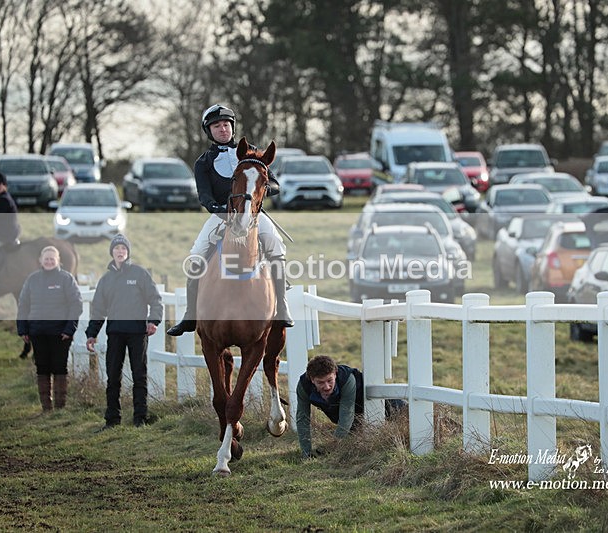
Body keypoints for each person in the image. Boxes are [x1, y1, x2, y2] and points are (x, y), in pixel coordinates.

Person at [166, 104, 293, 336]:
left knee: (276, 244)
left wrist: (258, 193)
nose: (223, 129)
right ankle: (190, 315)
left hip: (253, 214)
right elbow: (204, 195)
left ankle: (282, 307)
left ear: (232, 127)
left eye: (226, 124)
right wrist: (221, 208)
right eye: (217, 126)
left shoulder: (252, 152)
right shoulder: (202, 163)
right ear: (209, 131)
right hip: (221, 215)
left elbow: (274, 184)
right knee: (196, 254)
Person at [85, 234, 163, 429]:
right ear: (112, 252)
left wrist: (153, 321)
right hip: (115, 332)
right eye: (117, 248)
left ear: (127, 253)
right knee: (113, 376)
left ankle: (140, 418)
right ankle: (112, 419)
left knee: (139, 375)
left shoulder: (139, 274)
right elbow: (98, 309)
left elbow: (155, 299)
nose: (120, 252)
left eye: (123, 249)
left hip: (137, 332)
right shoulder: (106, 280)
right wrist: (91, 333)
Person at [295, 355, 406, 459]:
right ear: (311, 379)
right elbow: (302, 418)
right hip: (353, 419)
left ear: (335, 373)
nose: (327, 387)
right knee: (356, 438)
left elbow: (346, 415)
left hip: (380, 402)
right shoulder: (303, 387)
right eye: (320, 383)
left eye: (330, 380)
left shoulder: (347, 379)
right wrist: (306, 453)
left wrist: (333, 447)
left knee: (406, 415)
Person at [17, 246, 82, 412]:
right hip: (38, 332)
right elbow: (23, 304)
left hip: (61, 333)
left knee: (60, 367)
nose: (49, 261)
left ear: (58, 260)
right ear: (40, 260)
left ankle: (60, 407)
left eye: (52, 258)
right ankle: (46, 407)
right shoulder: (32, 280)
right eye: (46, 258)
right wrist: (23, 328)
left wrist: (69, 329)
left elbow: (76, 304)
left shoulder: (66, 279)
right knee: (42, 367)